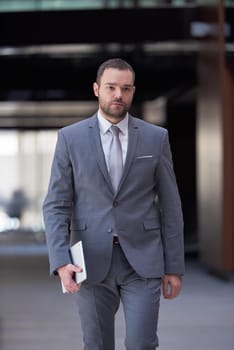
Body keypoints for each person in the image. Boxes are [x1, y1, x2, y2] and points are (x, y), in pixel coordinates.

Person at [43, 58, 185, 350]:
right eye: (111, 87)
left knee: (142, 344)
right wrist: (60, 261)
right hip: (91, 260)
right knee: (97, 345)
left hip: (143, 260)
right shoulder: (70, 138)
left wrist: (174, 266)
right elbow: (56, 204)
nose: (118, 94)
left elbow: (171, 207)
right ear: (97, 89)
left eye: (126, 88)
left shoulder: (155, 138)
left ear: (133, 91)